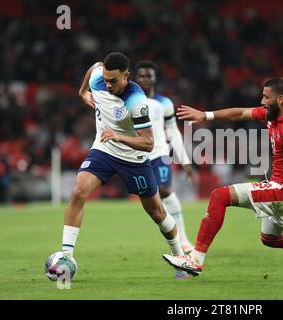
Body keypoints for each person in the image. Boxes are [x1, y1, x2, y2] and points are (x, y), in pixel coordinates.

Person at [163, 77, 283, 279]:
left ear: (280, 99)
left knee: (220, 196)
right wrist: (205, 115)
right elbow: (240, 113)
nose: (261, 101)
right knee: (271, 238)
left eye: (265, 97)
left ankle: (195, 260)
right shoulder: (273, 114)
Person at [47, 52, 186, 279]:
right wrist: (83, 92)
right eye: (106, 79)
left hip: (134, 159)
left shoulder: (136, 101)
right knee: (78, 191)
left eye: (114, 80)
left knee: (157, 212)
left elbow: (148, 143)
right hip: (104, 150)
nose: (108, 84)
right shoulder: (97, 78)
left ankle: (180, 258)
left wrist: (119, 137)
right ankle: (66, 255)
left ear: (126, 76)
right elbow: (94, 66)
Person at [135, 60, 197, 254]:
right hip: (137, 155)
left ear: (154, 78)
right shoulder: (129, 100)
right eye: (142, 75)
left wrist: (185, 162)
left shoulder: (165, 103)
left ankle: (184, 239)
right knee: (152, 202)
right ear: (136, 78)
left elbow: (173, 132)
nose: (146, 78)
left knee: (165, 190)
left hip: (160, 153)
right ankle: (173, 238)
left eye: (149, 75)